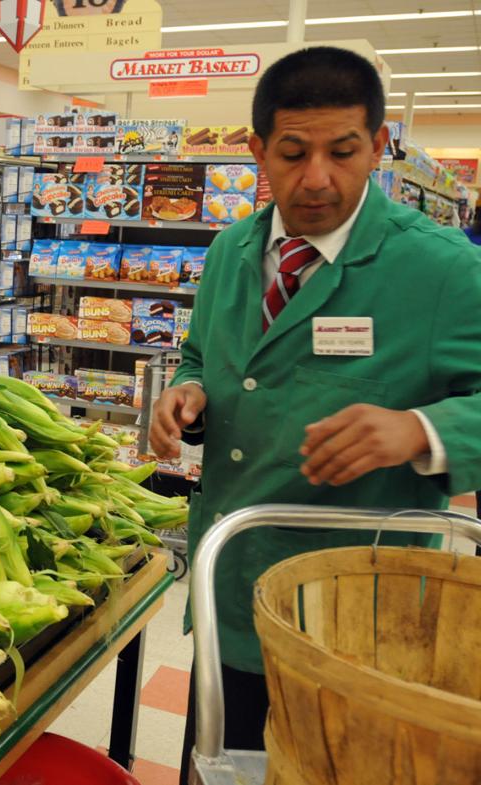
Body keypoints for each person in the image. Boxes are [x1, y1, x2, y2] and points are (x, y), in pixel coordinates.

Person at [151, 46, 481, 783]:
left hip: (358, 618)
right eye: (293, 154)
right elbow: (205, 357)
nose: (318, 178)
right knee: (219, 763)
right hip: (231, 594)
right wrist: (190, 394)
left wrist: (421, 430)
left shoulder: (440, 269)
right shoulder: (233, 249)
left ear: (379, 146)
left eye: (344, 151)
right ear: (256, 149)